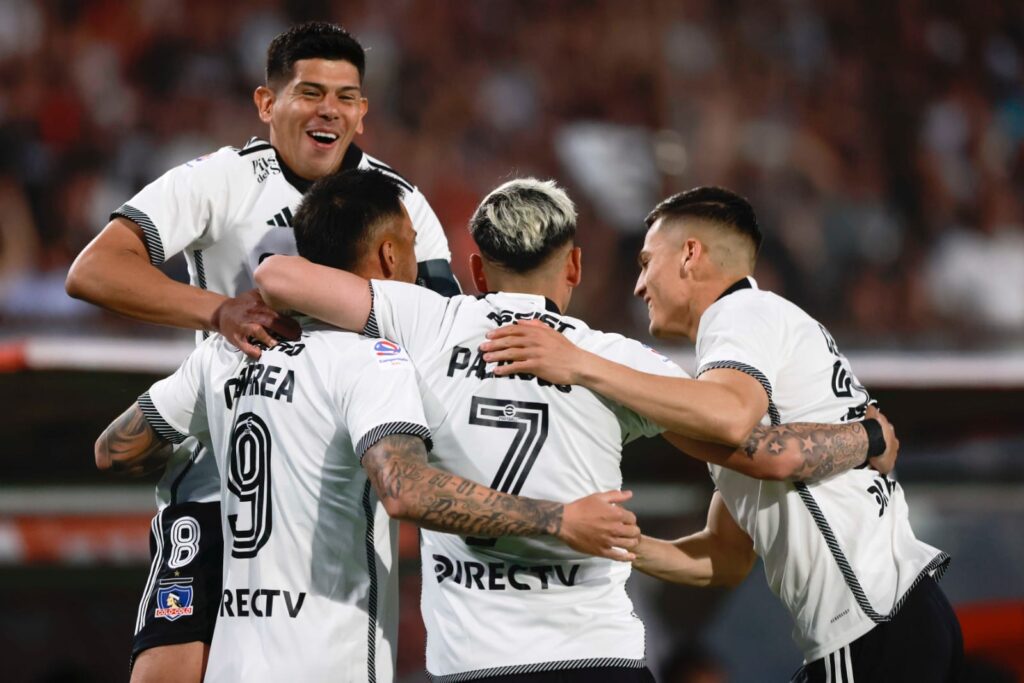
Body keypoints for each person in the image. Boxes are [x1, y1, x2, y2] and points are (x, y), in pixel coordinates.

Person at [254, 178, 898, 682]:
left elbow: (277, 276)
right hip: (598, 659)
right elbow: (759, 450)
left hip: (474, 664)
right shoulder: (621, 364)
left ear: (479, 271)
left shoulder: (424, 321)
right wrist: (864, 439)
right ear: (575, 268)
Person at [94, 169, 637, 683]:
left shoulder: (226, 353)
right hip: (329, 662)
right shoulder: (373, 359)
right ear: (389, 253)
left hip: (234, 661)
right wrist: (559, 518)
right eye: (411, 242)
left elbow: (115, 449)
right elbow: (405, 491)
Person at [64, 21, 460, 682]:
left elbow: (443, 330)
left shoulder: (403, 203)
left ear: (363, 112)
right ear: (266, 103)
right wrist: (217, 311)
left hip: (334, 490)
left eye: (345, 95)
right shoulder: (221, 179)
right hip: (218, 480)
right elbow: (95, 270)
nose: (328, 108)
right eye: (309, 91)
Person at [480, 186, 962, 682]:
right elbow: (725, 556)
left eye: (647, 263)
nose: (639, 285)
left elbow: (741, 426)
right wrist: (618, 543)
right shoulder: (755, 353)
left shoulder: (739, 314)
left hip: (869, 624)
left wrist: (580, 364)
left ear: (690, 254)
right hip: (898, 618)